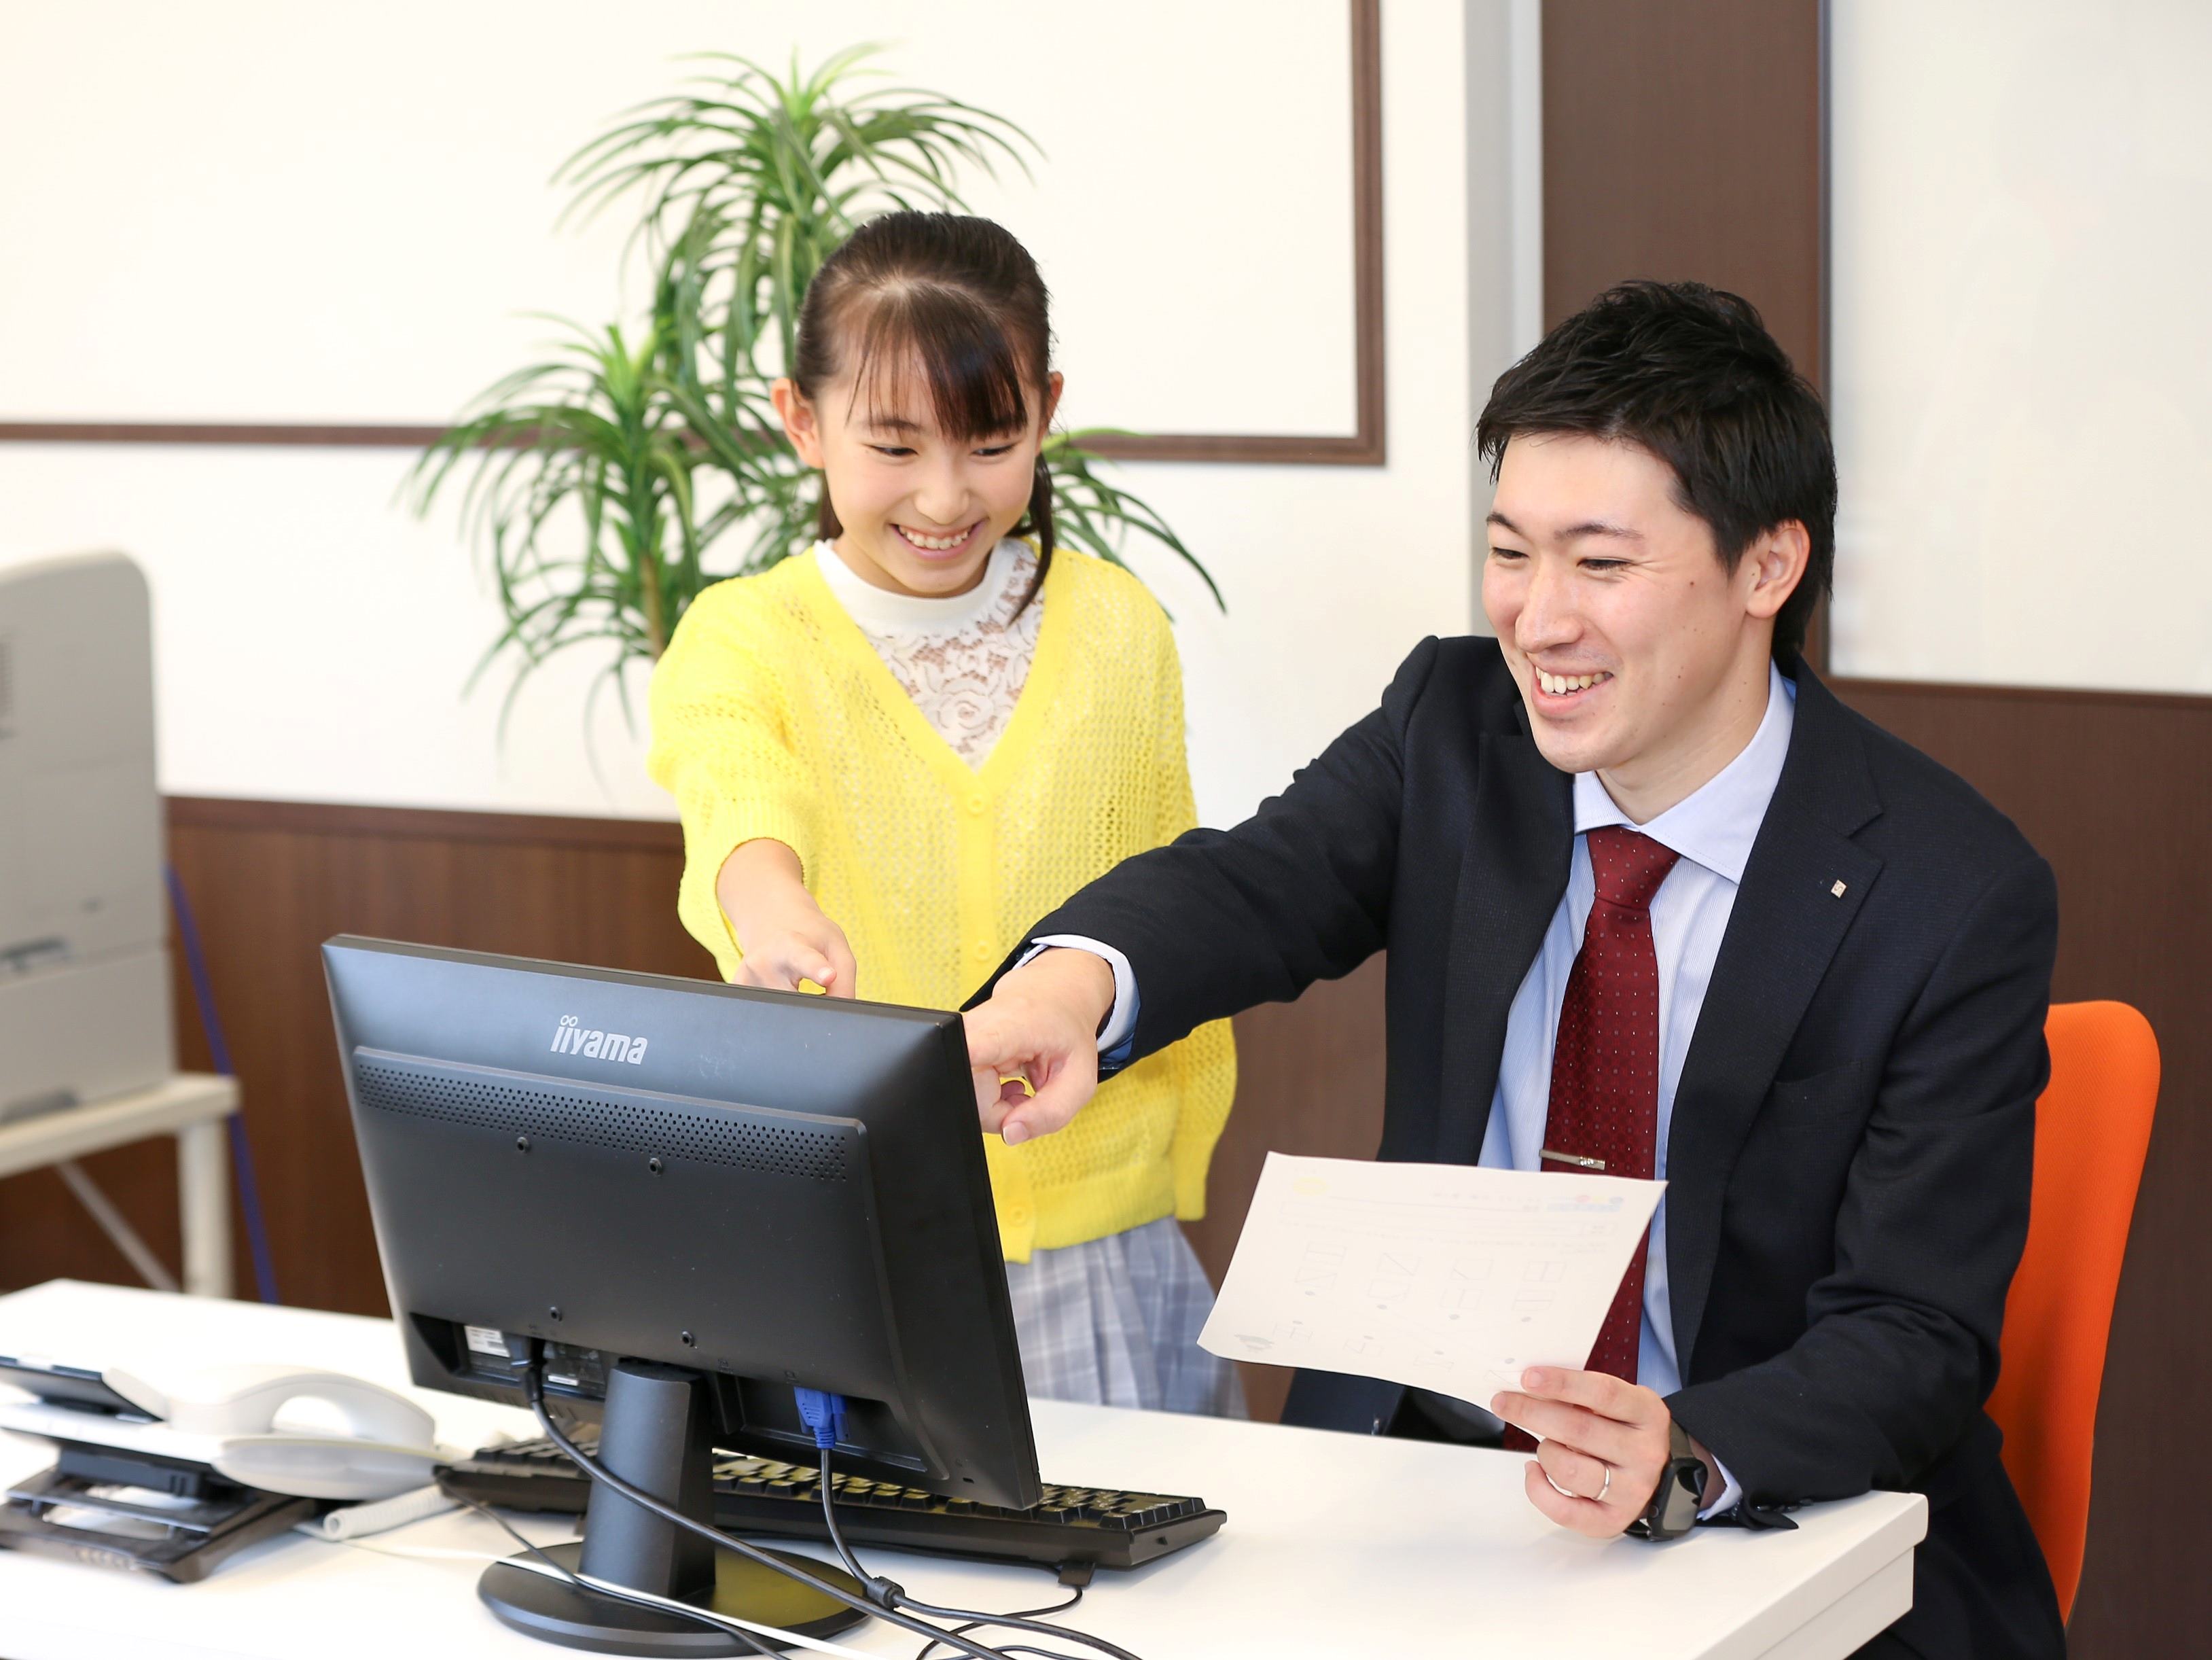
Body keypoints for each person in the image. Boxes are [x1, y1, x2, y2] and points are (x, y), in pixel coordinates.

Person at [963, 282, 2064, 1657]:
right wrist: (1069, 992)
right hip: (1420, 1483)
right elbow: (1254, 882)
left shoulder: (1945, 888)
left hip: (1748, 1511)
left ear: (1764, 569)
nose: (1537, 620)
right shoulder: (1452, 725)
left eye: (1597, 564)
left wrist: (1684, 1448)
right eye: (1508, 553)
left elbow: (1912, 1330)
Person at [646, 211, 1240, 1418]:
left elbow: (1172, 904)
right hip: (861, 1243)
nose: (946, 495)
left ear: (1048, 409)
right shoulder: (745, 634)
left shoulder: (1120, 626)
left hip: (1095, 1237)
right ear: (800, 421)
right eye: (895, 446)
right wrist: (771, 901)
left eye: (989, 442)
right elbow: (731, 782)